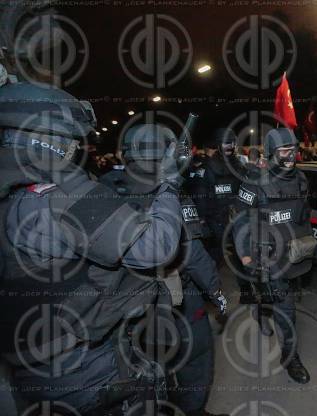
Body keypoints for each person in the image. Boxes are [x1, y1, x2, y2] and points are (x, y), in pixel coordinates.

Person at [0, 82, 186, 414]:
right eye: (73, 141)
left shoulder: (12, 186)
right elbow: (156, 247)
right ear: (53, 140)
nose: (78, 149)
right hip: (81, 366)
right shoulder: (59, 194)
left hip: (31, 359)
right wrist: (169, 184)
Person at [100, 123, 228, 416]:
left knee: (149, 380)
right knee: (195, 366)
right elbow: (192, 253)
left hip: (123, 316)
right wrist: (216, 292)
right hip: (178, 307)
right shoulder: (169, 192)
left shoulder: (101, 189)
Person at [232, 128, 317, 384]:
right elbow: (240, 221)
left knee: (280, 297)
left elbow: (304, 214)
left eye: (293, 150)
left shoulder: (301, 178)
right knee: (287, 310)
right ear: (271, 153)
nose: (290, 156)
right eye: (284, 151)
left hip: (296, 257)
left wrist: (308, 243)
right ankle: (290, 358)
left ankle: (261, 308)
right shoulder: (255, 182)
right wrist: (246, 256)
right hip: (269, 259)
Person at [188, 128, 246, 265]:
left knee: (241, 257)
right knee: (215, 257)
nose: (230, 147)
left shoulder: (239, 166)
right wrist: (201, 221)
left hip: (235, 218)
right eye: (226, 143)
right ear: (218, 145)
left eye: (232, 143)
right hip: (215, 220)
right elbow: (200, 197)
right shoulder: (206, 168)